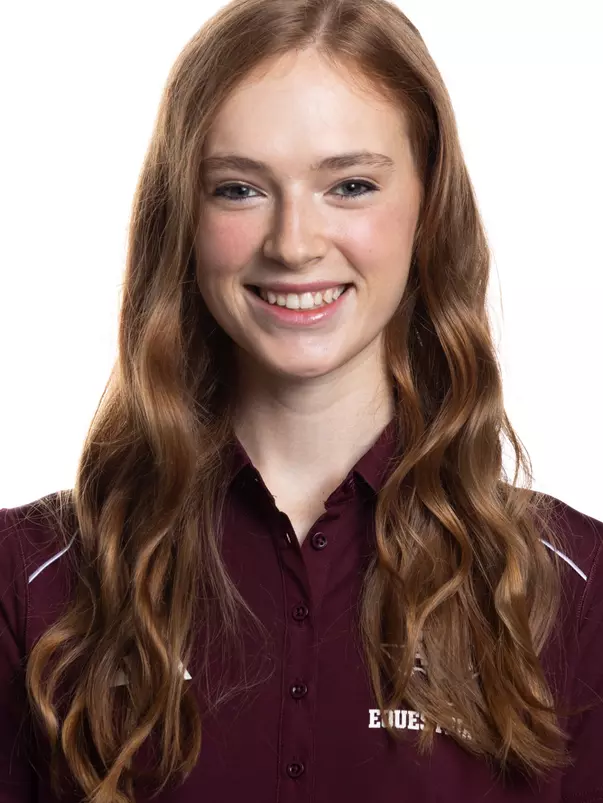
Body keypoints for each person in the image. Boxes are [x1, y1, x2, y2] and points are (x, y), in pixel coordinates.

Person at [1, 0, 602, 800]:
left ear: (429, 209)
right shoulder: (34, 577)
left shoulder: (576, 588)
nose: (292, 243)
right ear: (182, 216)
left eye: (349, 185)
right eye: (240, 188)